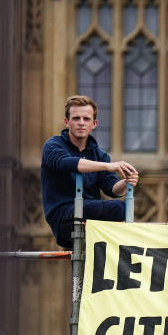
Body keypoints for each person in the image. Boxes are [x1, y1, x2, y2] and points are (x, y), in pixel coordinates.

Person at [40, 95, 139, 247]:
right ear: (67, 122)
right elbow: (66, 163)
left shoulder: (99, 154)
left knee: (123, 208)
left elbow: (112, 188)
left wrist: (127, 182)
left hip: (91, 215)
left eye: (86, 119)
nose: (81, 123)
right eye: (76, 118)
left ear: (94, 123)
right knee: (118, 209)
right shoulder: (53, 146)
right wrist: (107, 166)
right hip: (64, 216)